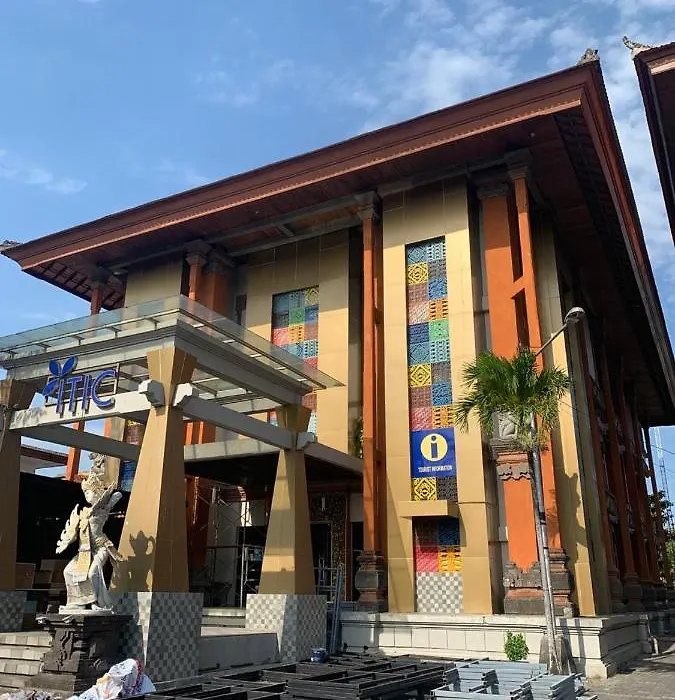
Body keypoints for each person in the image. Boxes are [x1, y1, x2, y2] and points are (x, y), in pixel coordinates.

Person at [56, 455, 123, 611]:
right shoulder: (84, 512)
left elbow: (114, 498)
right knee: (68, 571)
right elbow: (75, 532)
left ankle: (97, 603)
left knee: (93, 573)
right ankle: (77, 603)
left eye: (90, 492)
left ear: (97, 492)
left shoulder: (102, 509)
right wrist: (67, 540)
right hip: (84, 550)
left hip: (101, 547)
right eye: (85, 493)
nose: (87, 495)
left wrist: (110, 497)